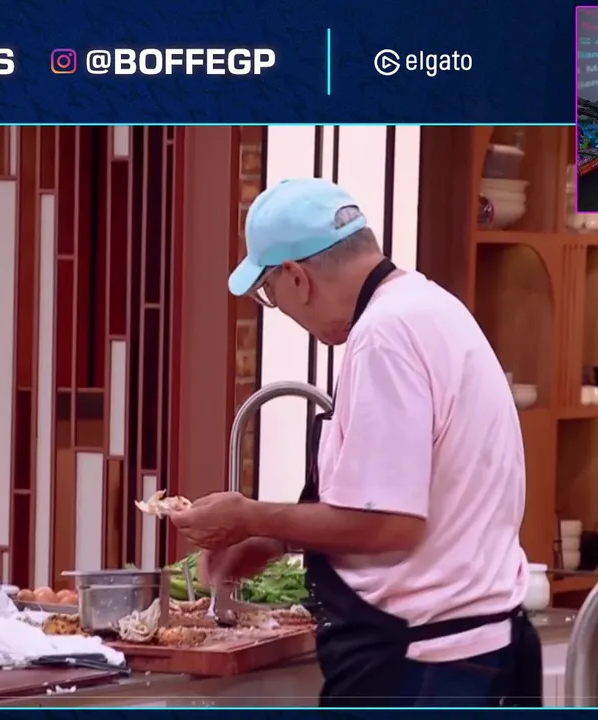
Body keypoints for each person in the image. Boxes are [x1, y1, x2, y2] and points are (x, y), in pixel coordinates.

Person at [169, 178, 541, 707]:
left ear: (296, 277)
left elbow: (390, 523)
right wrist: (276, 541)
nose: (281, 308)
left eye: (268, 292)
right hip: (478, 648)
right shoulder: (431, 307)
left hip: (422, 663)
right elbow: (403, 496)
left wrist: (250, 517)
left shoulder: (383, 335)